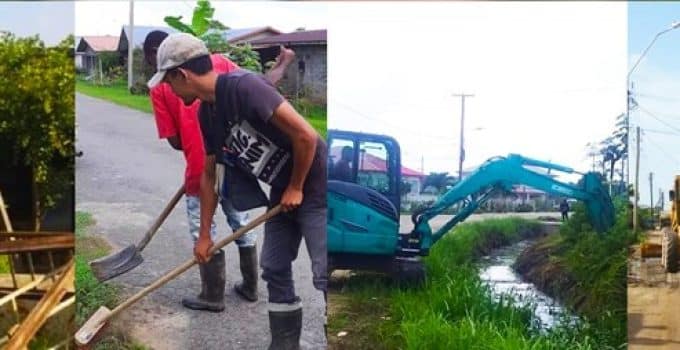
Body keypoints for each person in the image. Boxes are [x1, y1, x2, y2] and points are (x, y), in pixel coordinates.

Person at [148, 33, 327, 350]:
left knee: (324, 269)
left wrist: (297, 186)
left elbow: (307, 136)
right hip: (284, 190)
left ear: (182, 75)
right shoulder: (208, 113)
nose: (170, 91)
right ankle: (284, 345)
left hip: (315, 184)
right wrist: (205, 235)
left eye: (169, 82)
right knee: (273, 266)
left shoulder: (244, 87)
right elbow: (209, 175)